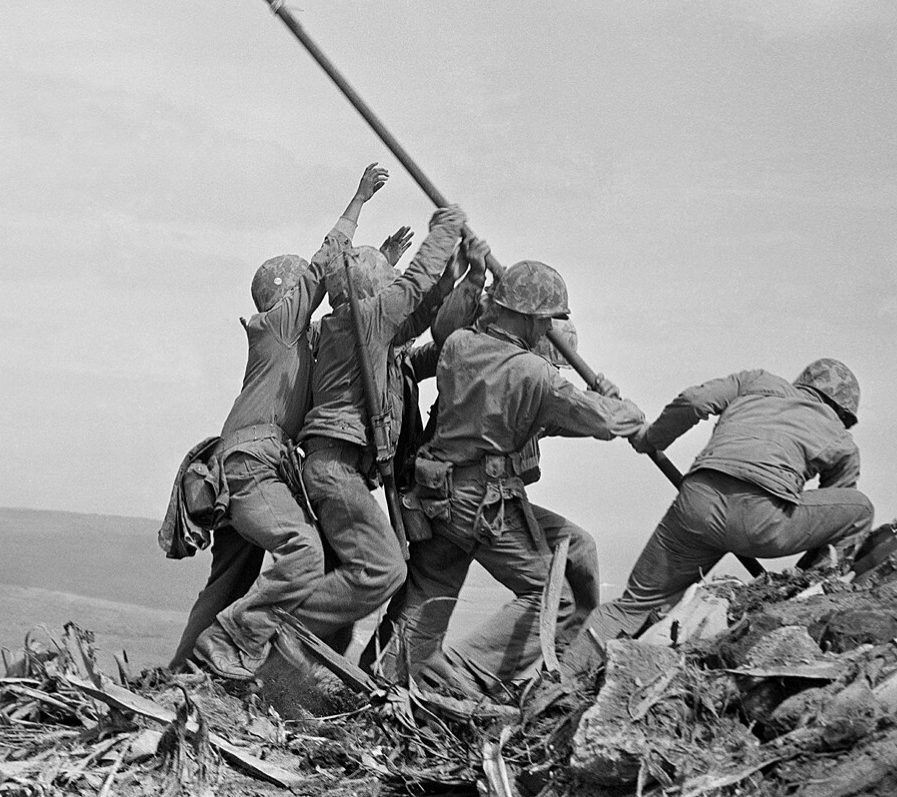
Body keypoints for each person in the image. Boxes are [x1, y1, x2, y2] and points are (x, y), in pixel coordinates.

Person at [383, 253, 646, 693]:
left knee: (430, 593)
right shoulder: (534, 373)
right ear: (529, 318)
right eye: (546, 321)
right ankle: (460, 675)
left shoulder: (460, 347)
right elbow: (600, 420)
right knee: (554, 599)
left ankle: (391, 678)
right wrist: (621, 406)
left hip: (437, 494)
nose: (548, 331)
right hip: (481, 503)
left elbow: (545, 420)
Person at [168, 222, 416, 672]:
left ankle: (182, 672)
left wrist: (380, 261)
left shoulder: (303, 340)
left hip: (245, 470)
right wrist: (357, 204)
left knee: (227, 583)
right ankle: (235, 644)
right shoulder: (273, 331)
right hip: (253, 469)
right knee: (304, 552)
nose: (311, 295)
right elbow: (331, 279)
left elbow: (354, 320)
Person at [559, 358, 874, 681]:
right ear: (844, 411)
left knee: (633, 604)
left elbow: (694, 401)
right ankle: (811, 596)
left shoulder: (757, 381)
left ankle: (560, 680)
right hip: (763, 522)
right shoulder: (841, 440)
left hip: (696, 505)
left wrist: (651, 439)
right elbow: (832, 520)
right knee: (860, 508)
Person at [290, 200, 468, 642]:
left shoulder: (355, 327)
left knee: (349, 595)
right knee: (384, 569)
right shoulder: (365, 320)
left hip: (340, 468)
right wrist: (445, 230)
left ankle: (298, 664)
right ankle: (282, 626)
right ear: (373, 291)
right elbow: (414, 287)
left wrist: (460, 274)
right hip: (335, 469)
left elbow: (421, 312)